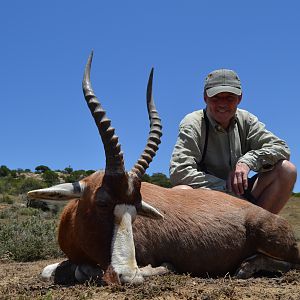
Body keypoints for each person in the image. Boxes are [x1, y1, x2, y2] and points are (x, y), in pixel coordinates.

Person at [169, 69, 297, 214]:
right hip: (207, 198)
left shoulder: (246, 120)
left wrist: (247, 162)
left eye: (229, 98)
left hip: (242, 194)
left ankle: (259, 232)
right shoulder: (193, 122)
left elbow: (281, 148)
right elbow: (179, 172)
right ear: (205, 98)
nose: (222, 104)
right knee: (181, 191)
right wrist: (227, 189)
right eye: (216, 97)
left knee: (286, 170)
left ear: (239, 98)